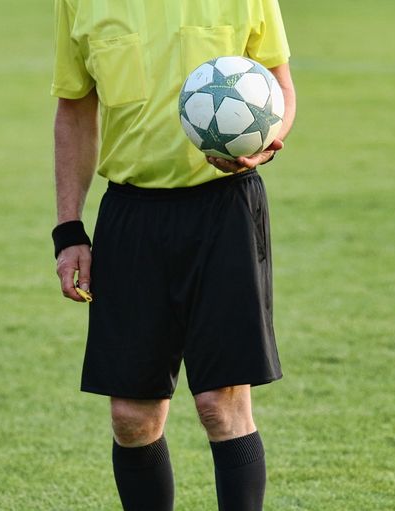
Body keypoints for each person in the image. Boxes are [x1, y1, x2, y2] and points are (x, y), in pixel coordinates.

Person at [51, 1, 295, 509]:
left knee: (220, 405)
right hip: (131, 215)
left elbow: (278, 86)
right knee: (132, 418)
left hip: (224, 210)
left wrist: (268, 143)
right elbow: (75, 108)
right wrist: (69, 229)